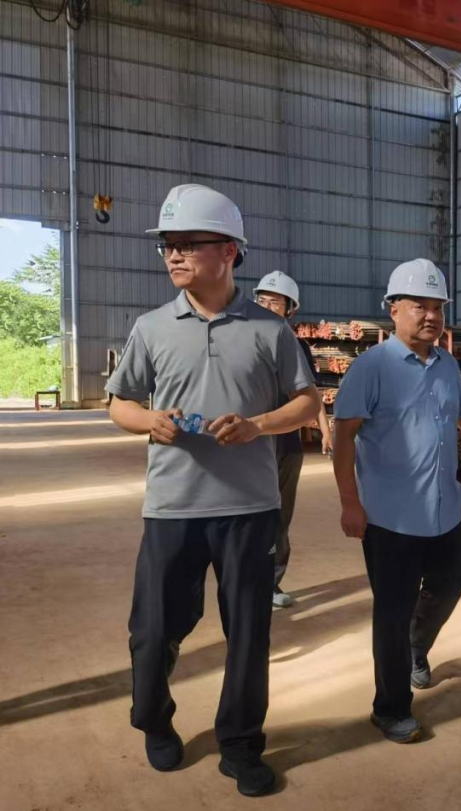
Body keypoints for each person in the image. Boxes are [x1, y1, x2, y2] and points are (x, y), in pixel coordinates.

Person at [105, 184, 320, 797]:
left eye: (186, 244)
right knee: (153, 629)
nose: (172, 255)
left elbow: (307, 402)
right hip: (172, 507)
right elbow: (119, 403)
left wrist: (258, 425)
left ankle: (241, 743)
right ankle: (154, 721)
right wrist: (150, 421)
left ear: (228, 251)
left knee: (249, 632)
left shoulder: (269, 331)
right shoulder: (151, 328)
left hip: (249, 510)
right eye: (167, 246)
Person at [332, 259, 461, 744]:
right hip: (390, 519)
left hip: (443, 511)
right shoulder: (371, 368)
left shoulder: (447, 365)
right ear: (393, 309)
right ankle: (390, 708)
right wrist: (350, 501)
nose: (432, 316)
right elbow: (344, 437)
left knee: (450, 584)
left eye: (438, 307)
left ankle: (416, 647)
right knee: (391, 614)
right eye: (420, 306)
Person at [252, 270, 333, 609]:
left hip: (286, 444)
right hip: (250, 443)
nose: (268, 307)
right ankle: (245, 582)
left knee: (279, 516)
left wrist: (325, 430)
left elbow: (309, 394)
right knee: (248, 515)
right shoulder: (240, 342)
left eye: (276, 303)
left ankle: (270, 583)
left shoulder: (297, 347)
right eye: (263, 301)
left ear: (290, 309)